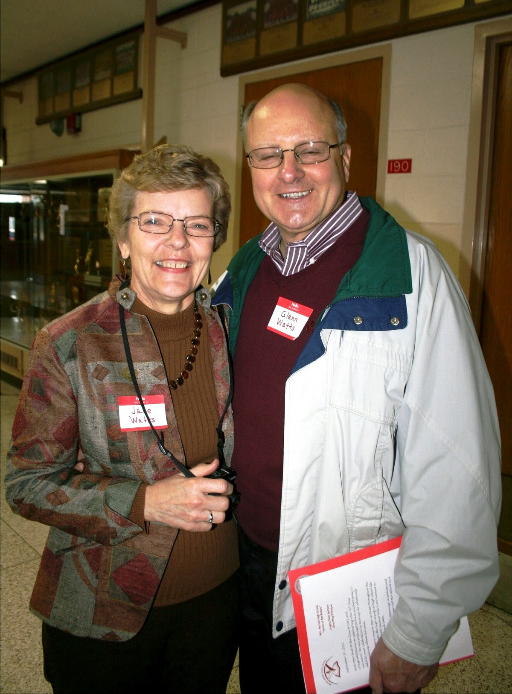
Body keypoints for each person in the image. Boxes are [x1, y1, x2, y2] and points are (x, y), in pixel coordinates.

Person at [213, 84, 502, 694]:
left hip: (349, 588)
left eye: (309, 149)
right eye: (267, 155)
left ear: (344, 159)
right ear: (251, 168)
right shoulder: (240, 271)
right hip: (245, 569)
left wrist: (421, 627)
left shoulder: (411, 278)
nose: (287, 171)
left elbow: (457, 465)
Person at [5, 144, 239, 694]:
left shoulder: (230, 331)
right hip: (103, 609)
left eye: (196, 225)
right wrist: (144, 502)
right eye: (155, 221)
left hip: (215, 605)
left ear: (214, 238)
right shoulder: (69, 343)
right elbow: (26, 485)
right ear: (123, 238)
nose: (177, 242)